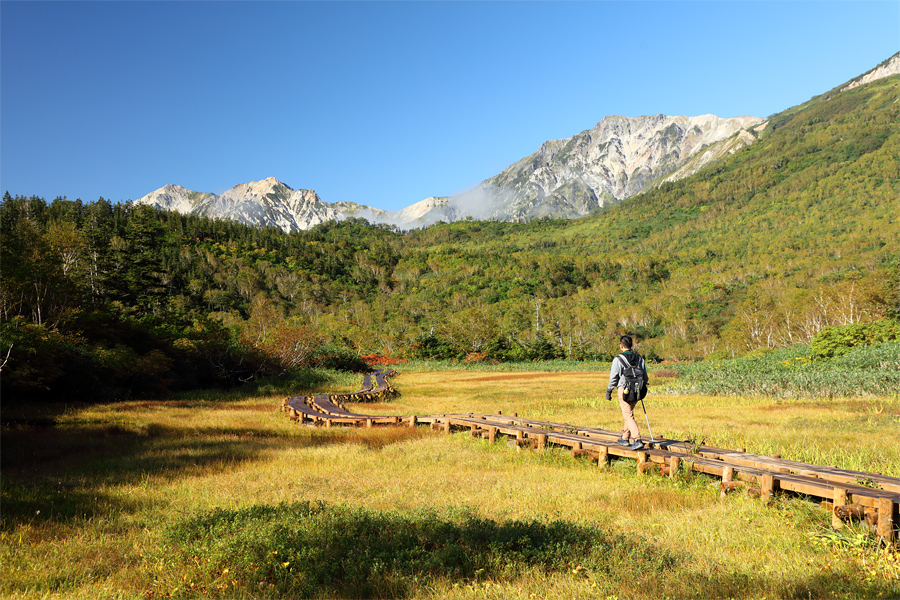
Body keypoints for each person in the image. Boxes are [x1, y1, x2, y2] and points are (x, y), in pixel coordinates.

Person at [605, 335, 648, 450]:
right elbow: (645, 377)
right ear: (631, 346)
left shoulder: (618, 359)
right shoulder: (640, 359)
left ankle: (637, 439)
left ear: (621, 346)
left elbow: (613, 378)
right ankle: (624, 438)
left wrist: (609, 390)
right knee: (628, 414)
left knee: (628, 415)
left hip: (624, 390)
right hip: (638, 390)